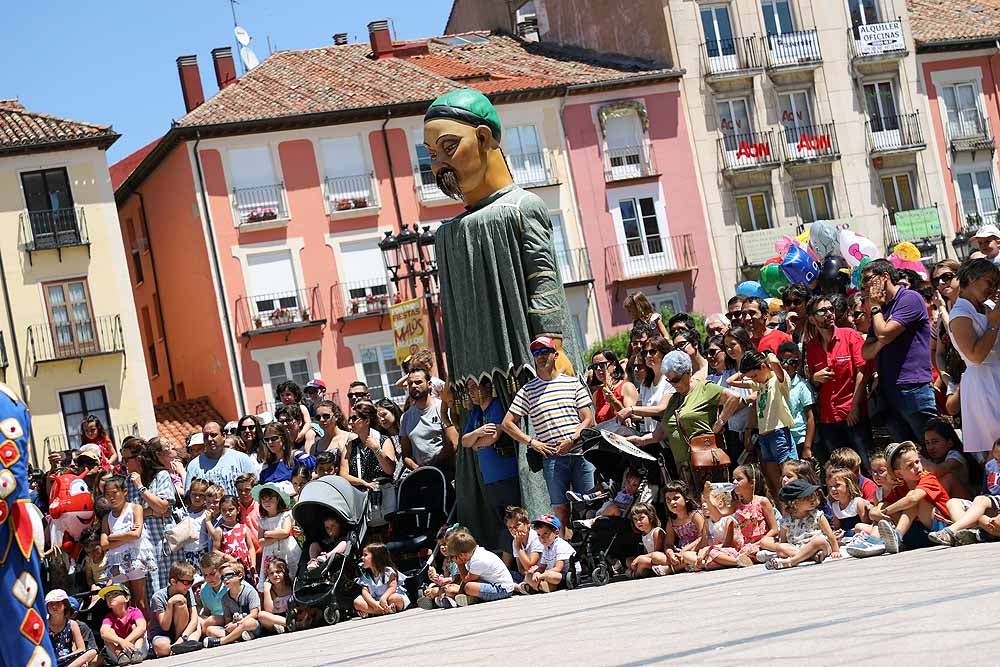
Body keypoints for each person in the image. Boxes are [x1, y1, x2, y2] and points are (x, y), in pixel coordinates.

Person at [503, 336, 595, 531]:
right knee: (560, 511)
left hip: (581, 454)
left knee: (589, 506)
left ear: (555, 355)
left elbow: (588, 419)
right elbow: (507, 423)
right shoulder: (528, 390)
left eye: (545, 352)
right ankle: (565, 558)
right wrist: (532, 442)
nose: (540, 356)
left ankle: (593, 556)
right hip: (552, 459)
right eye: (536, 353)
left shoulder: (573, 383)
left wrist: (572, 439)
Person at [630, 351, 743, 489]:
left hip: (707, 463)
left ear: (688, 372)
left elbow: (734, 397)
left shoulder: (704, 388)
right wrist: (640, 440)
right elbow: (660, 433)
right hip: (683, 468)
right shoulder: (674, 399)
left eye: (676, 379)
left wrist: (720, 422)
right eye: (669, 380)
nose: (673, 384)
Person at [861, 259, 936, 444]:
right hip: (889, 389)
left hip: (913, 386)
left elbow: (884, 334)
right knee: (908, 453)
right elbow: (866, 352)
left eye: (868, 279)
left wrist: (876, 309)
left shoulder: (909, 298)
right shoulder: (883, 310)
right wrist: (881, 341)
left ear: (885, 276)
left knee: (934, 444)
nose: (864, 286)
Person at [803, 295, 871, 471]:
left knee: (863, 465)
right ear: (811, 318)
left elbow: (862, 372)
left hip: (852, 413)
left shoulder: (850, 336)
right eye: (822, 310)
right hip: (828, 418)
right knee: (839, 470)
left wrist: (855, 407)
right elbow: (813, 383)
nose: (828, 313)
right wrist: (814, 378)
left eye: (830, 309)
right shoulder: (811, 347)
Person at [868, 441, 967, 551]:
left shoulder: (928, 478)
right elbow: (880, 507)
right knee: (892, 505)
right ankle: (874, 542)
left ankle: (897, 536)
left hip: (943, 528)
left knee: (913, 498)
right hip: (919, 533)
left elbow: (913, 498)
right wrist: (876, 511)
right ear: (899, 474)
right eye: (910, 465)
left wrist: (885, 511)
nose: (917, 467)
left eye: (917, 462)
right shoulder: (899, 487)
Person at [948, 258, 1000, 453]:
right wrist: (994, 323)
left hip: (994, 379)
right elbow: (975, 356)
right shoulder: (960, 313)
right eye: (989, 282)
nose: (993, 288)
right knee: (995, 448)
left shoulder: (986, 308)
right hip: (984, 385)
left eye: (996, 284)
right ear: (971, 278)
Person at [462, 376, 521, 548]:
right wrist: (478, 432)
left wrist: (476, 445)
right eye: (469, 389)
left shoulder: (496, 406)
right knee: (503, 522)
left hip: (507, 475)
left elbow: (493, 437)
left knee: (516, 520)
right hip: (489, 479)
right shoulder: (476, 413)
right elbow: (464, 441)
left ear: (487, 387)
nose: (471, 392)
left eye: (475, 387)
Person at [129, 439, 183, 593]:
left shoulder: (161, 476)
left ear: (139, 459)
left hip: (164, 540)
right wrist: (152, 511)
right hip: (143, 544)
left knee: (173, 584)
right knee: (152, 588)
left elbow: (163, 506)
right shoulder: (128, 481)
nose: (124, 463)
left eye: (127, 459)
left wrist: (140, 487)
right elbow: (129, 513)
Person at [101, 475, 156, 613]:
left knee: (141, 600)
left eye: (114, 493)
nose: (111, 498)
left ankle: (147, 632)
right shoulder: (106, 518)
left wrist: (114, 537)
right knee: (124, 601)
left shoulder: (136, 508)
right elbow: (104, 544)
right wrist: (127, 536)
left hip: (135, 559)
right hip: (116, 563)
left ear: (124, 491)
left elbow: (137, 534)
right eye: (108, 495)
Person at [765, 480, 842, 570]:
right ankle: (810, 556)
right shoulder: (786, 521)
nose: (813, 500)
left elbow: (830, 535)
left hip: (818, 546)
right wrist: (783, 549)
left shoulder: (817, 515)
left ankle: (793, 561)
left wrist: (836, 550)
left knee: (818, 541)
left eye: (813, 497)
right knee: (780, 547)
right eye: (808, 498)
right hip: (797, 548)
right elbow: (784, 540)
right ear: (795, 503)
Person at [400, 368, 457, 473]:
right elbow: (406, 454)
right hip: (424, 477)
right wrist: (417, 468)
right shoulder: (405, 417)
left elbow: (454, 444)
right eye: (410, 383)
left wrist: (432, 464)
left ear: (429, 384)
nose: (413, 386)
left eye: (418, 382)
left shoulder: (443, 409)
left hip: (450, 474)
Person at [439, 529, 516, 607]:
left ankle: (467, 599)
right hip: (490, 584)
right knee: (453, 588)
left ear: (463, 555)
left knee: (469, 587)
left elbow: (466, 579)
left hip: (502, 589)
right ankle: (460, 598)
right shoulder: (474, 554)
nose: (452, 559)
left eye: (453, 556)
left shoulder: (478, 560)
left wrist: (460, 564)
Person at [616, 335, 673, 435]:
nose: (648, 356)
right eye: (645, 352)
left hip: (668, 438)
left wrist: (631, 410)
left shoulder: (670, 379)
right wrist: (628, 416)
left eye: (652, 352)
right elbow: (639, 414)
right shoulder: (645, 384)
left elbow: (662, 409)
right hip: (650, 438)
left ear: (663, 353)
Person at [185, 422, 256, 496]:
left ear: (224, 436)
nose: (209, 439)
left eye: (213, 435)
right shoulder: (194, 466)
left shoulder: (242, 459)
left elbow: (254, 490)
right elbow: (188, 497)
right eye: (206, 436)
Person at [341, 401, 397, 492]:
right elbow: (343, 474)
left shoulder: (383, 441)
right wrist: (363, 483)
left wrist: (376, 449)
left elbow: (390, 470)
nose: (350, 422)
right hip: (360, 495)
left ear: (367, 420)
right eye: (350, 418)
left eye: (354, 418)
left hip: (383, 493)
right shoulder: (350, 445)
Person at [149, 562, 201, 657]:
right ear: (173, 581)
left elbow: (194, 619)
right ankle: (185, 645)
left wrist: (181, 639)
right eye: (186, 582)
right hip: (163, 634)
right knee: (163, 648)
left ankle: (180, 645)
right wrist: (170, 604)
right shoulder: (158, 597)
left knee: (197, 626)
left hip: (182, 633)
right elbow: (165, 627)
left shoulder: (188, 592)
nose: (189, 586)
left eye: (191, 582)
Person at [203, 561, 261, 647]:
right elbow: (228, 620)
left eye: (228, 575)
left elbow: (254, 614)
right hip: (235, 627)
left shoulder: (250, 592)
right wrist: (231, 625)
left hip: (251, 625)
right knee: (210, 630)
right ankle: (240, 636)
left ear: (240, 575)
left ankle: (222, 641)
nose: (225, 579)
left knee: (249, 623)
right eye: (222, 577)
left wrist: (237, 624)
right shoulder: (225, 599)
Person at [254, 483, 301, 587]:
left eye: (270, 499)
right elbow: (261, 542)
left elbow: (285, 532)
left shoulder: (285, 515)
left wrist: (268, 533)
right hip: (271, 553)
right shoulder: (263, 521)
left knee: (292, 574)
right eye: (263, 499)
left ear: (278, 499)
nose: (266, 502)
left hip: (287, 551)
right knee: (274, 578)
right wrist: (276, 537)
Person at [776, 342, 816, 463]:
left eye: (791, 361)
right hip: (782, 438)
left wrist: (807, 447)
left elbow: (810, 417)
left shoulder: (802, 386)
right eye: (782, 362)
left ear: (797, 364)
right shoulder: (774, 385)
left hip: (799, 439)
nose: (786, 365)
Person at [518, 514, 575, 593]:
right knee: (529, 574)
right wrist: (537, 573)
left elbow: (558, 568)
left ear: (556, 532)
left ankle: (535, 587)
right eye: (539, 535)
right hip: (552, 574)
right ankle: (541, 586)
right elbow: (541, 567)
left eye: (545, 533)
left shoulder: (560, 545)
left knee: (549, 575)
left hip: (566, 576)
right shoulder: (546, 547)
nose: (542, 538)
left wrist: (541, 575)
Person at [658, 481, 706, 574]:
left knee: (687, 556)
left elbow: (702, 537)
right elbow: (668, 544)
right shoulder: (671, 521)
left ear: (686, 498)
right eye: (668, 499)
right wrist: (670, 553)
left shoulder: (695, 515)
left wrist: (685, 550)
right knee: (656, 556)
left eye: (676, 498)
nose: (672, 502)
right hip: (680, 551)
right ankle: (686, 564)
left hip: (696, 548)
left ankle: (671, 569)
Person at [921, 418, 973, 499]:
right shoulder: (932, 459)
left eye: (935, 442)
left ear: (950, 443)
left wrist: (917, 457)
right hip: (948, 501)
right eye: (927, 443)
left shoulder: (956, 456)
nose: (930, 447)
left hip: (964, 500)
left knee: (948, 478)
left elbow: (938, 471)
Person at [354, 543, 409, 616]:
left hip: (388, 597)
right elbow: (365, 592)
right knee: (357, 602)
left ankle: (372, 612)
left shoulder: (388, 571)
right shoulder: (365, 575)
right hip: (375, 601)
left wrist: (383, 598)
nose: (362, 558)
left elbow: (392, 587)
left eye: (365, 555)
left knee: (394, 598)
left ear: (376, 557)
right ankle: (383, 610)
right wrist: (373, 603)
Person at [46, 589, 97, 667]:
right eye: (51, 603)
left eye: (58, 603)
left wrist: (66, 657)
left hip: (66, 659)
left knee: (92, 652)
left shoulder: (72, 624)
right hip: (47, 659)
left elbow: (81, 649)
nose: (54, 606)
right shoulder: (44, 624)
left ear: (65, 605)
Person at [99, 584, 147, 664]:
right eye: (107, 596)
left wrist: (125, 642)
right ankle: (120, 655)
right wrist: (121, 642)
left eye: (115, 594)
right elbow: (103, 633)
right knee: (108, 633)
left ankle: (137, 652)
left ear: (126, 598)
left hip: (139, 648)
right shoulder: (108, 617)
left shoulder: (135, 611)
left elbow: (142, 627)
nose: (110, 597)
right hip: (118, 652)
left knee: (135, 626)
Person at [213, 495, 255, 581]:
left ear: (238, 510)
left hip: (246, 567)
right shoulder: (219, 530)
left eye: (231, 509)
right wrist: (228, 557)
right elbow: (215, 550)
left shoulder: (244, 528)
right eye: (224, 510)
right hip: (230, 566)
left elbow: (251, 548)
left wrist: (253, 565)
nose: (228, 513)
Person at [590, 349, 638, 423]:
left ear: (614, 364)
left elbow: (630, 418)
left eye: (602, 365)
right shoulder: (596, 394)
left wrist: (613, 400)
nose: (598, 369)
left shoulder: (626, 387)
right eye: (595, 366)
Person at [626, 502, 668, 577]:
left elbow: (658, 552)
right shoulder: (644, 535)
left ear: (650, 517)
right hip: (650, 560)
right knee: (628, 560)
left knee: (642, 561)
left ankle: (636, 574)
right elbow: (646, 552)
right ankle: (641, 570)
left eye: (641, 518)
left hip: (659, 560)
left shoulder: (657, 532)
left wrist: (640, 558)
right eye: (635, 519)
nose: (638, 522)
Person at [504, 506, 543, 580]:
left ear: (528, 523)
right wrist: (526, 576)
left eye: (517, 525)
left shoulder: (536, 537)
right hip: (527, 574)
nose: (514, 530)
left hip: (540, 573)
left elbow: (529, 566)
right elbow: (521, 569)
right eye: (510, 528)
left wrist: (518, 547)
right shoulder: (516, 541)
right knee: (504, 575)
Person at [259, 558, 292, 634]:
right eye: (271, 573)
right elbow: (269, 611)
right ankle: (287, 624)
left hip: (291, 615)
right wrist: (266, 591)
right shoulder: (269, 590)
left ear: (284, 572)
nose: (275, 575)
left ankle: (290, 623)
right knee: (261, 615)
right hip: (275, 620)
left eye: (278, 572)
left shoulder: (291, 586)